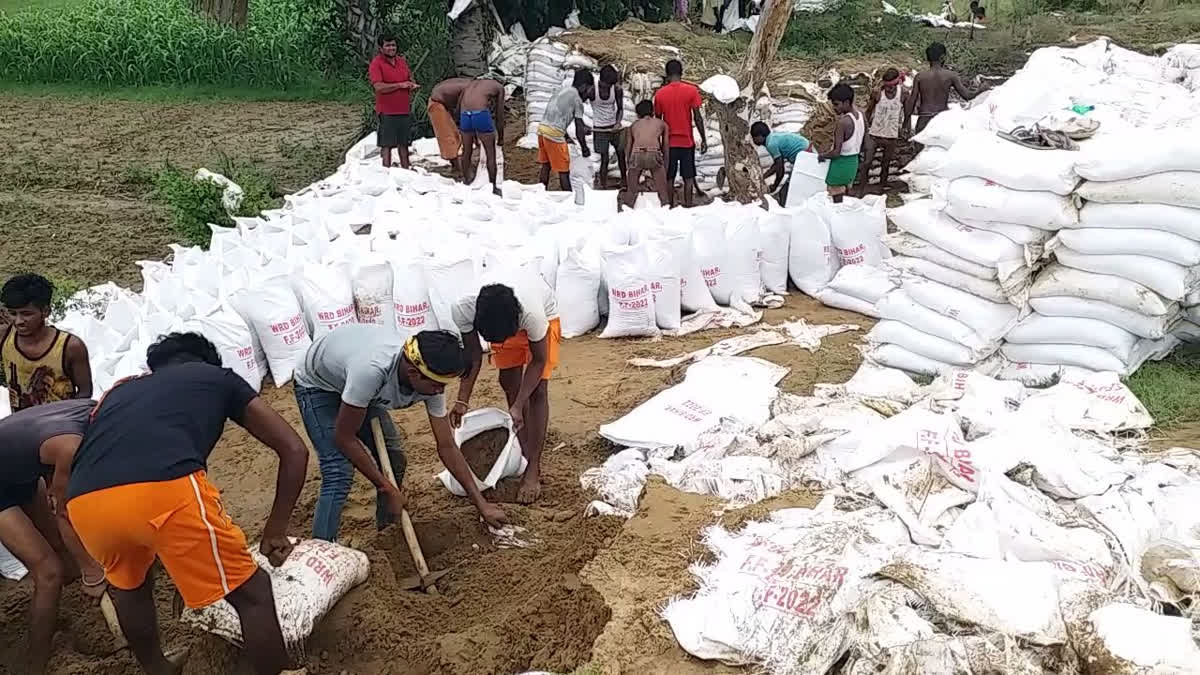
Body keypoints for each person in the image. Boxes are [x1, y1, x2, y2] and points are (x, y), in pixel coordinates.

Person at [66, 333, 309, 675]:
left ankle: (158, 670)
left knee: (130, 587)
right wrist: (275, 529)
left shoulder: (117, 391)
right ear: (206, 362)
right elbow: (294, 450)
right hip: (163, 491)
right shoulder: (217, 378)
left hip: (86, 501)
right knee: (253, 592)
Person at [294, 325, 507, 540]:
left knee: (394, 457)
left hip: (359, 384)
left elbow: (447, 445)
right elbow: (344, 437)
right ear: (413, 372)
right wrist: (386, 486)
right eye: (436, 385)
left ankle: (387, 535)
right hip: (319, 385)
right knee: (338, 471)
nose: (440, 392)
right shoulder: (371, 371)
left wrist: (481, 504)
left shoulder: (430, 378)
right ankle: (322, 546)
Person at [0, 399, 108, 674]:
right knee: (49, 572)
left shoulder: (95, 409)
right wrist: (92, 571)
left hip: (19, 472)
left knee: (61, 548)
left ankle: (78, 619)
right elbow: (66, 513)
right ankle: (33, 663)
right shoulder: (74, 445)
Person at [452, 277, 560, 504]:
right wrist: (462, 401)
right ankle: (523, 452)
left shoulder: (532, 314)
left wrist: (521, 404)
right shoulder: (463, 309)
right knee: (509, 382)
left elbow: (538, 361)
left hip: (544, 318)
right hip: (503, 319)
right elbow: (473, 356)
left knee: (538, 390)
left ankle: (533, 468)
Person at [1, 273, 92, 412]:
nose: (18, 321)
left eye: (26, 314)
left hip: (60, 427)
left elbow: (85, 392)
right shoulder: (5, 337)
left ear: (46, 311)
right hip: (21, 425)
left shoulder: (70, 347)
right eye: (13, 313)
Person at [654, 59, 708, 208]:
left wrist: (658, 143)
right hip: (687, 142)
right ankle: (689, 206)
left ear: (667, 74)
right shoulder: (691, 90)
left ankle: (671, 206)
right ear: (681, 72)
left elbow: (658, 121)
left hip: (668, 144)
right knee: (688, 177)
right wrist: (703, 138)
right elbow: (697, 117)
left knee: (669, 177)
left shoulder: (660, 94)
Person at [904, 42, 985, 136]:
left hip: (924, 119)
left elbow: (911, 102)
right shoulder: (951, 76)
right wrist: (981, 89)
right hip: (941, 119)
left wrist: (905, 122)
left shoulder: (920, 77)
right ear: (943, 57)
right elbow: (967, 96)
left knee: (921, 149)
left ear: (927, 58)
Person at [368, 34, 419, 169]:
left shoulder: (401, 61)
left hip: (404, 109)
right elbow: (378, 87)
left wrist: (412, 85)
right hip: (387, 111)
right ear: (381, 48)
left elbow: (409, 78)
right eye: (388, 45)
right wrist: (399, 85)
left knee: (404, 143)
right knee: (387, 144)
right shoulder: (376, 64)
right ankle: (386, 172)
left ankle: (405, 170)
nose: (391, 48)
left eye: (394, 45)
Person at [538, 70, 594, 192]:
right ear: (584, 86)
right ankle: (568, 199)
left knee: (546, 166)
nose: (589, 94)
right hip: (554, 135)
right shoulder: (578, 100)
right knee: (564, 171)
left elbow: (557, 116)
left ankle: (541, 194)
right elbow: (579, 129)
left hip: (542, 130)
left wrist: (567, 135)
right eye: (589, 89)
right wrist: (584, 148)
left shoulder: (562, 90)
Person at [857, 68, 906, 197]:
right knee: (867, 162)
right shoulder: (877, 93)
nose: (889, 89)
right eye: (887, 86)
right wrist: (865, 127)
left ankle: (881, 189)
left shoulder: (904, 93)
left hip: (891, 134)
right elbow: (869, 111)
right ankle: (861, 189)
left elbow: (907, 112)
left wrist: (904, 127)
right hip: (874, 133)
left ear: (897, 83)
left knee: (886, 163)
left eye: (892, 86)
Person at [459, 78, 507, 194]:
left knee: (467, 151)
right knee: (491, 152)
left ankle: (466, 180)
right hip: (480, 114)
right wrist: (500, 138)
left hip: (465, 114)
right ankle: (493, 186)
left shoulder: (472, 84)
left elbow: (459, 104)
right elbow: (500, 116)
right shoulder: (499, 88)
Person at [819, 83, 864, 204]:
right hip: (853, 163)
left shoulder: (843, 123)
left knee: (837, 200)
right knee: (848, 197)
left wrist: (822, 155)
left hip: (840, 164)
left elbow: (836, 152)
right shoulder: (860, 116)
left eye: (836, 104)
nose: (834, 108)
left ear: (847, 102)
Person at [621, 100, 671, 210]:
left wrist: (629, 164)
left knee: (632, 190)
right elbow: (666, 146)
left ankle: (627, 212)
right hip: (654, 152)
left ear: (638, 114)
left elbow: (628, 146)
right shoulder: (662, 124)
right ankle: (666, 209)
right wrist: (665, 165)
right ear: (653, 111)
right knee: (663, 191)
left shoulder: (633, 125)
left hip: (637, 153)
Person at [750, 121, 813, 205]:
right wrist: (763, 176)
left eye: (754, 137)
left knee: (788, 188)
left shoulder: (771, 144)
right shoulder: (773, 138)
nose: (753, 140)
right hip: (806, 148)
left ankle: (785, 205)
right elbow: (776, 165)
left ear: (760, 136)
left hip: (804, 154)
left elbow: (780, 169)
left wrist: (775, 185)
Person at [428, 77, 473, 178]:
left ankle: (461, 165)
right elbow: (463, 109)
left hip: (446, 102)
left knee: (457, 135)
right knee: (447, 136)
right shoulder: (471, 90)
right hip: (437, 103)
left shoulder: (475, 86)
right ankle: (456, 169)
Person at [593, 65, 627, 190]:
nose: (608, 88)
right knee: (604, 158)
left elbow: (620, 109)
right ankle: (602, 184)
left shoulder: (616, 90)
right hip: (599, 129)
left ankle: (624, 181)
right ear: (601, 81)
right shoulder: (593, 91)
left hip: (614, 127)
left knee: (621, 153)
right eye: (606, 85)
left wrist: (618, 122)